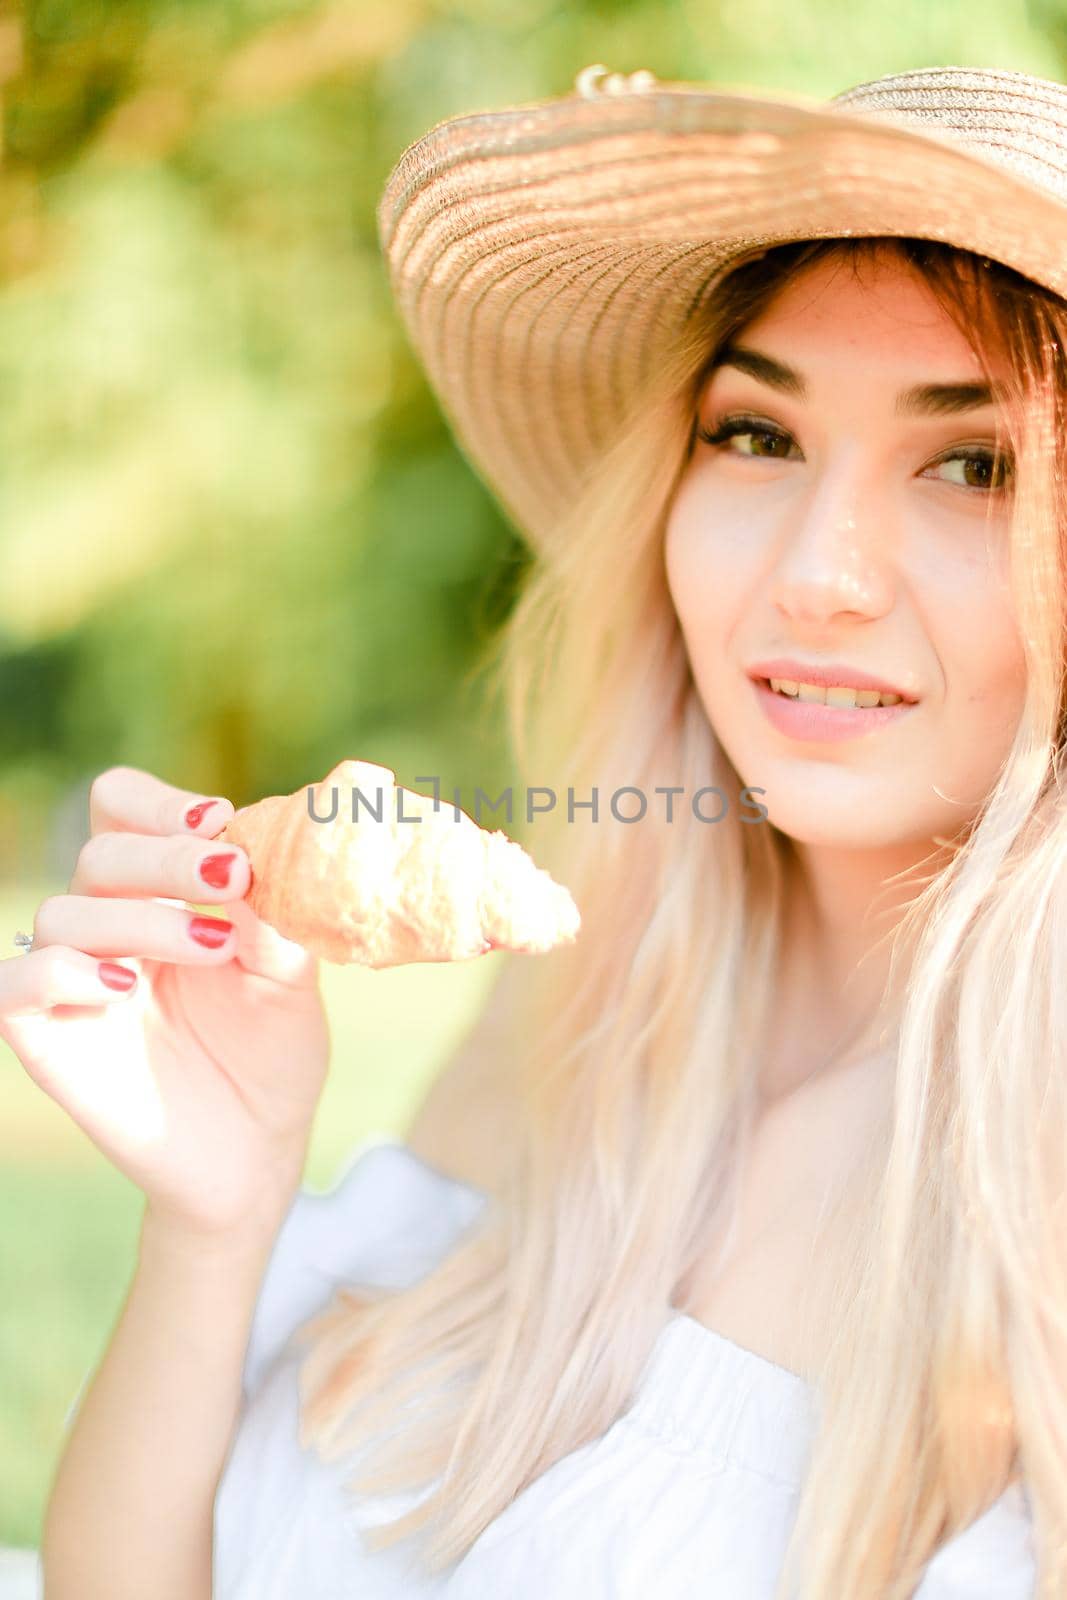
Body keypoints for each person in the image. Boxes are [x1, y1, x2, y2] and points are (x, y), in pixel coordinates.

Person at [8, 58, 1067, 1600]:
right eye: (755, 436)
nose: (821, 575)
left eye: (975, 464)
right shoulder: (569, 1011)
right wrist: (215, 1221)